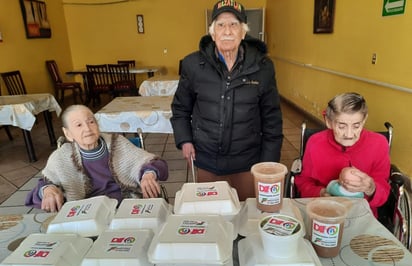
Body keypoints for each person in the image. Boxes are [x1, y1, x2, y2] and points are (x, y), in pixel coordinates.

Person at [171, 0, 283, 201]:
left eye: (234, 24)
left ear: (243, 32)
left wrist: (268, 164)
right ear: (212, 33)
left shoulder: (263, 67)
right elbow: (180, 108)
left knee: (246, 215)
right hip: (206, 159)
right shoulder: (193, 65)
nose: (227, 31)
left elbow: (272, 119)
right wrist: (185, 140)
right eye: (221, 25)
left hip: (248, 161)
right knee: (211, 215)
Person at [25, 104, 168, 212]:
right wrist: (48, 190)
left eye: (91, 122)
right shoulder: (61, 157)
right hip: (85, 212)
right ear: (68, 133)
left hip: (126, 205)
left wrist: (148, 174)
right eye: (79, 125)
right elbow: (42, 186)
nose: (87, 128)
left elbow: (155, 163)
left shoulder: (116, 143)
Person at [295, 92, 391, 218]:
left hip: (362, 215)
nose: (349, 134)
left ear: (364, 120)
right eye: (341, 126)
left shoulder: (379, 143)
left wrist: (371, 188)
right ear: (328, 122)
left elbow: (384, 192)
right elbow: (303, 182)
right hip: (322, 211)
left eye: (356, 126)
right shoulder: (315, 143)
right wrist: (321, 193)